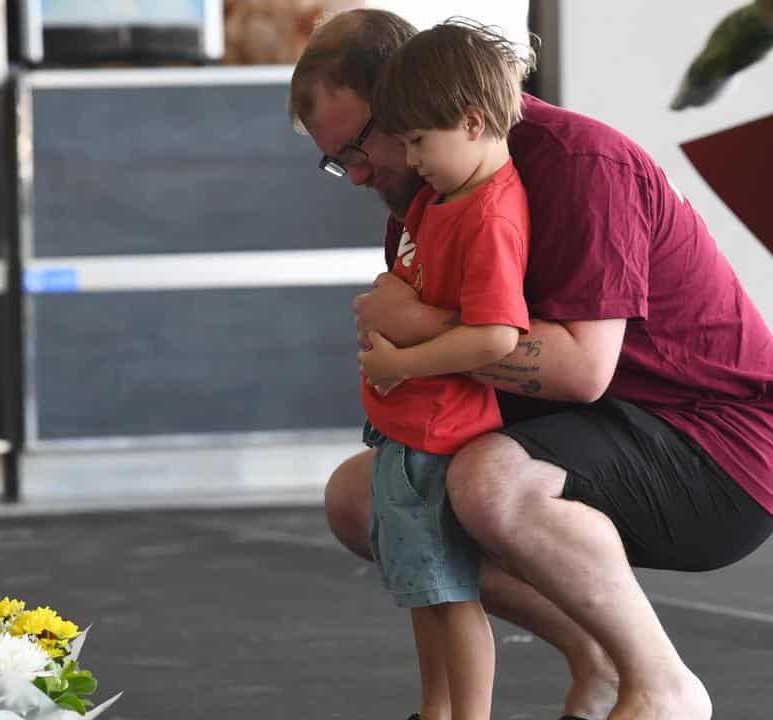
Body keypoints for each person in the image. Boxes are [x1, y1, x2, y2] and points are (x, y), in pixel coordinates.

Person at [288, 9, 773, 720]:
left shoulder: (579, 163)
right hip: (593, 421)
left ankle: (663, 685)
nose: (358, 177)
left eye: (360, 148)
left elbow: (580, 371)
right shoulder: (424, 194)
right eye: (338, 162)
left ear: (413, 97)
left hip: (723, 447)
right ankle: (596, 662)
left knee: (490, 483)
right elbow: (440, 374)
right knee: (368, 499)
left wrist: (419, 327)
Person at [354, 21, 533, 720]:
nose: (410, 158)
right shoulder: (442, 199)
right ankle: (436, 709)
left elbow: (493, 335)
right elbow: (417, 282)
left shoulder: (489, 216)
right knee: (423, 594)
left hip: (438, 434)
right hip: (406, 432)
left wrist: (403, 360)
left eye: (421, 141)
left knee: (451, 597)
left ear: (473, 120)